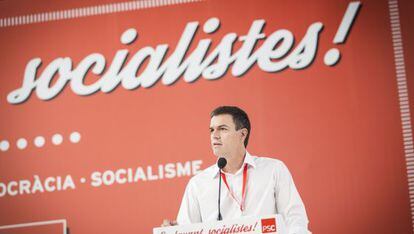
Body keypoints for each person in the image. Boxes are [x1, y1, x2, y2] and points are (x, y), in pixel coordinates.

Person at [163, 106, 309, 233]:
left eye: (222, 129)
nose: (214, 135)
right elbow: (187, 229)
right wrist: (173, 231)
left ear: (242, 134)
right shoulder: (197, 184)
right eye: (212, 130)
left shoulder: (273, 169)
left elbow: (295, 219)